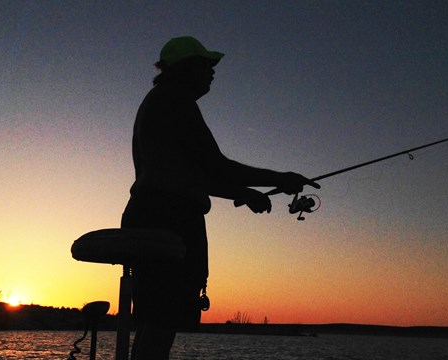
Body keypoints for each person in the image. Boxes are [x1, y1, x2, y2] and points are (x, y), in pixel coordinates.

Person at [121, 36, 319, 359]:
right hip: (168, 221)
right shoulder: (177, 102)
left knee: (154, 323)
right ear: (187, 68)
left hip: (148, 213)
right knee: (160, 323)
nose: (212, 72)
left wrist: (243, 194)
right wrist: (280, 179)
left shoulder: (156, 102)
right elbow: (218, 167)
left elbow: (189, 175)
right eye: (206, 65)